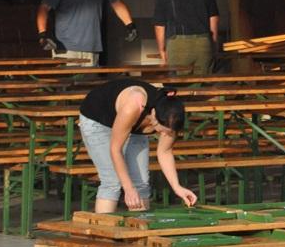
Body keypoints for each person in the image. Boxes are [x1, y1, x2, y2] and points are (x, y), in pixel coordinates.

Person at [79, 78, 197, 212]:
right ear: (153, 114)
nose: (164, 134)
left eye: (168, 132)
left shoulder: (172, 118)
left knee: (141, 183)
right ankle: (103, 225)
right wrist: (128, 189)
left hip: (135, 125)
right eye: (161, 130)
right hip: (98, 119)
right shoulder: (133, 106)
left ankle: (140, 224)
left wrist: (177, 187)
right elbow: (115, 150)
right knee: (112, 182)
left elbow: (164, 152)